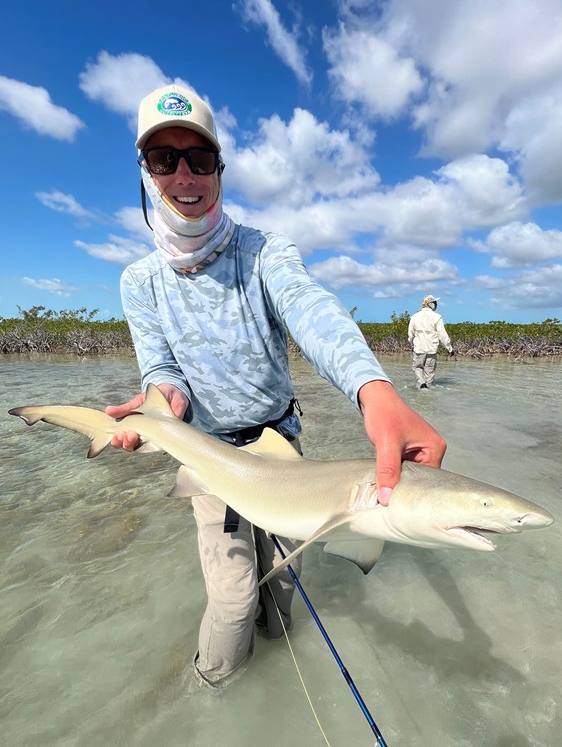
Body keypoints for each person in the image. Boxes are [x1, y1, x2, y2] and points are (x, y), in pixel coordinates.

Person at [105, 83, 447, 688]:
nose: (185, 173)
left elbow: (310, 308)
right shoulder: (139, 282)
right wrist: (167, 403)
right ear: (146, 172)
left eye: (199, 157)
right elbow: (161, 369)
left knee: (284, 585)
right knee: (236, 601)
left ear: (219, 168)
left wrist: (374, 388)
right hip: (209, 455)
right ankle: (213, 693)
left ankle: (278, 688)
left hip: (282, 450)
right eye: (165, 159)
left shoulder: (263, 252)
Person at [408, 295, 454, 389]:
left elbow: (410, 334)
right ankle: (427, 387)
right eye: (435, 302)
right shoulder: (437, 317)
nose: (436, 304)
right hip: (432, 349)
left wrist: (412, 344)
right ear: (430, 304)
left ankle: (421, 383)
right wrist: (450, 349)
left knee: (417, 367)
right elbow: (442, 335)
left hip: (419, 348)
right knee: (430, 371)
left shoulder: (414, 317)